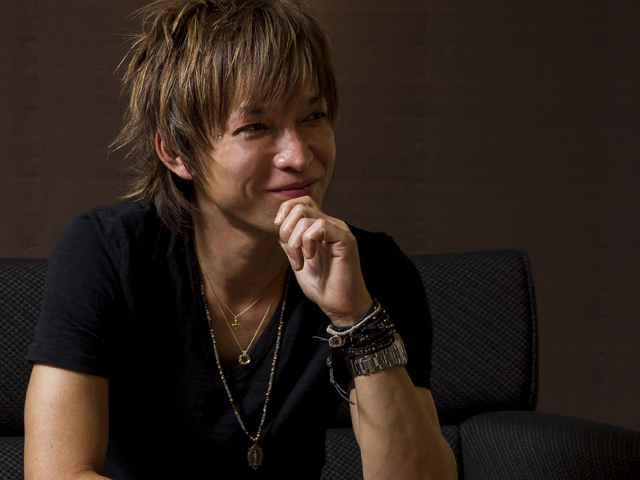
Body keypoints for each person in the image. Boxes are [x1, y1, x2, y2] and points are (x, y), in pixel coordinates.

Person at [23, 0, 457, 478]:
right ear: (177, 152)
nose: (298, 156)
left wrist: (356, 319)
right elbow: (57, 473)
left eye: (313, 116)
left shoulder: (369, 269)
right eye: (256, 127)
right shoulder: (108, 253)